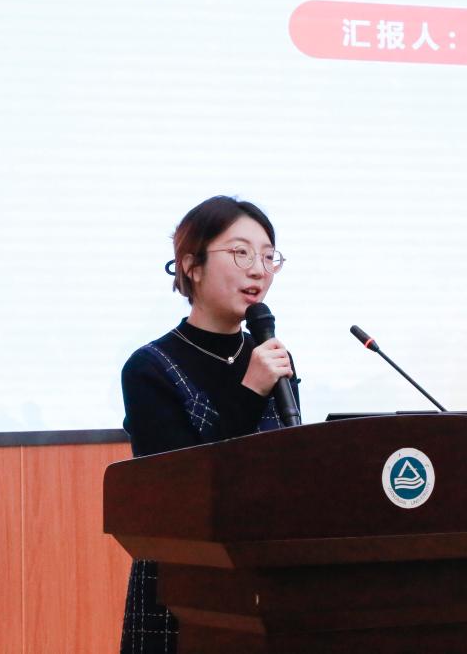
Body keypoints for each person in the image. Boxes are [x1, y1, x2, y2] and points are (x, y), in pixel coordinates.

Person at [118, 195, 300, 654]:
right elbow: (183, 489)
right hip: (182, 591)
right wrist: (250, 390)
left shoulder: (272, 359)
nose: (258, 270)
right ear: (191, 265)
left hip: (266, 583)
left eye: (268, 256)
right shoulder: (150, 368)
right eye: (240, 252)